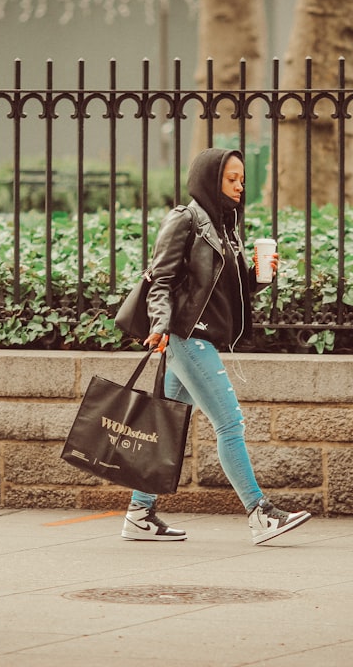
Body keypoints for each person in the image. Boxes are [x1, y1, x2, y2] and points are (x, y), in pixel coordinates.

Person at [120, 147, 312, 546]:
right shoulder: (185, 220)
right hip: (187, 336)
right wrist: (160, 324)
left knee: (168, 424)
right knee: (230, 423)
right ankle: (260, 514)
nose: (240, 186)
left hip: (203, 335)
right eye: (231, 179)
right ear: (210, 179)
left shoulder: (225, 226)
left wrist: (261, 278)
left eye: (242, 179)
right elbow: (160, 279)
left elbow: (228, 290)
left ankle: (139, 514)